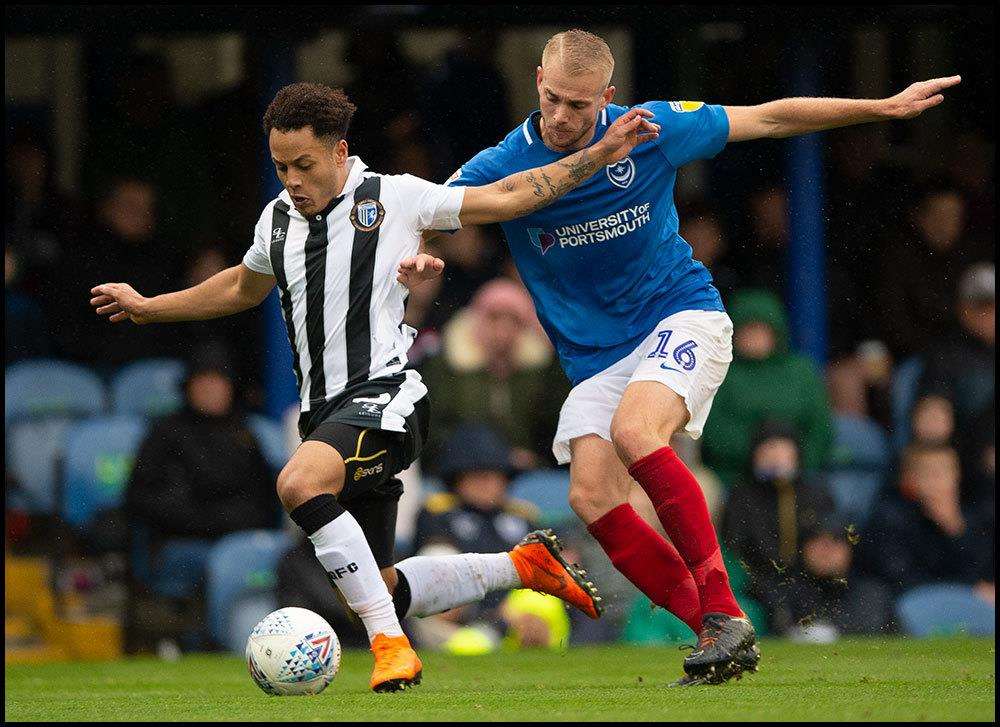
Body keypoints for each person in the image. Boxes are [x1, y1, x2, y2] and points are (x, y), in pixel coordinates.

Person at [410, 28, 960, 683]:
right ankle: (717, 631)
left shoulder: (653, 128)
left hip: (681, 314)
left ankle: (726, 612)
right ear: (536, 82)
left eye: (579, 106)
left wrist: (881, 107)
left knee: (636, 431)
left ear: (607, 99)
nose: (562, 116)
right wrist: (413, 252)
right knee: (589, 494)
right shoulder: (506, 161)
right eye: (553, 99)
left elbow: (771, 115)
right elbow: (429, 210)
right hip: (595, 357)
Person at [89, 82, 658, 692]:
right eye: (281, 167)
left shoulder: (396, 198)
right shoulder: (276, 220)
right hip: (324, 416)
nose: (293, 180)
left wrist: (597, 156)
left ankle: (391, 645)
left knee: (299, 483)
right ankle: (522, 565)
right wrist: (152, 306)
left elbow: (505, 196)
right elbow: (239, 288)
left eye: (304, 165)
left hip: (388, 398)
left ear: (338, 152)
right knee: (379, 583)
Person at [722, 421, 893, 639]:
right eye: (768, 448)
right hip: (760, 587)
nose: (776, 456)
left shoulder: (816, 493)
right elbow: (736, 552)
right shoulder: (742, 498)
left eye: (782, 448)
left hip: (811, 579)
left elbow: (831, 535)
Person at [420, 277, 569, 472]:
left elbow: (556, 428)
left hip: (528, 474)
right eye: (494, 318)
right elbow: (433, 432)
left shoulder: (541, 370)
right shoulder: (448, 366)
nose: (503, 331)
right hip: (459, 473)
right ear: (478, 319)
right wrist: (491, 457)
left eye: (514, 320)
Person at [700, 288, 833, 489]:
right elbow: (712, 429)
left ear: (775, 331)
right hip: (734, 478)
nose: (754, 337)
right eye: (747, 329)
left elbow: (820, 425)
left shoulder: (800, 370)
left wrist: (795, 455)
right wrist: (758, 452)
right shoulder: (719, 371)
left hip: (799, 476)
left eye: (760, 329)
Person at [859, 443, 994, 636]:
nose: (938, 481)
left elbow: (982, 572)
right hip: (907, 606)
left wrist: (954, 530)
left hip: (965, 601)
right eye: (930, 473)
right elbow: (899, 578)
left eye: (945, 472)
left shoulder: (974, 517)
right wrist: (968, 587)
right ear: (910, 480)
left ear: (957, 476)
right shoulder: (889, 516)